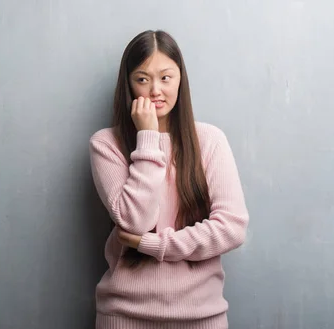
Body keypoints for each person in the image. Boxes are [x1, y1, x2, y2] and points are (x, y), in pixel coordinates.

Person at [88, 29, 250, 329]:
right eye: (142, 78)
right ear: (128, 85)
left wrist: (154, 244)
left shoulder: (209, 140)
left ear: (180, 80)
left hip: (202, 316)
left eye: (165, 77)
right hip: (124, 316)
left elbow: (233, 228)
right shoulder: (106, 143)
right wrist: (148, 136)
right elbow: (133, 221)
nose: (154, 91)